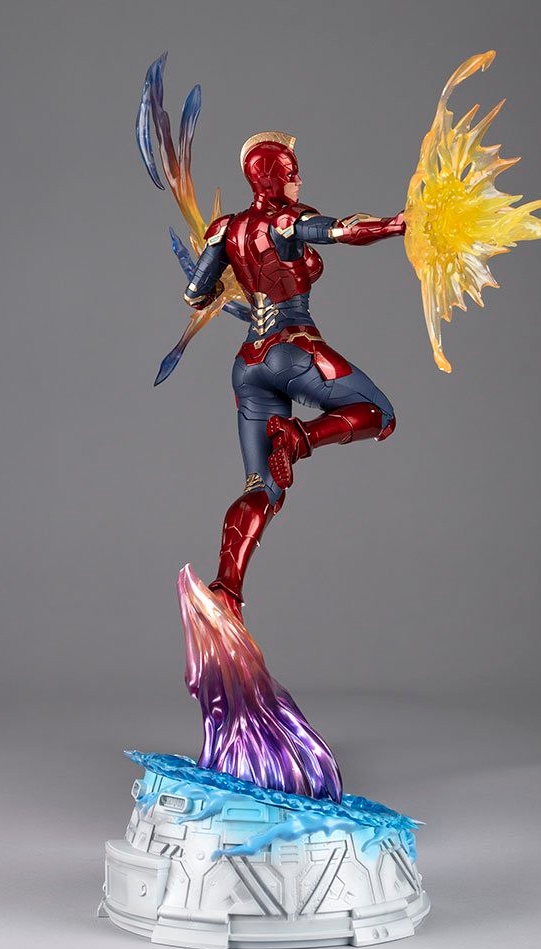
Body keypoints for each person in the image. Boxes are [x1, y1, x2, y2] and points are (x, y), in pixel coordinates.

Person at [184, 131, 405, 622]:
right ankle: (300, 438)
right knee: (380, 414)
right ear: (271, 179)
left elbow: (194, 294)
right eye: (291, 173)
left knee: (261, 487)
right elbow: (342, 230)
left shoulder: (225, 230)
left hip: (248, 365)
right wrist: (397, 225)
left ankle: (226, 588)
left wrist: (223, 285)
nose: (299, 180)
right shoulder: (286, 220)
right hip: (292, 347)